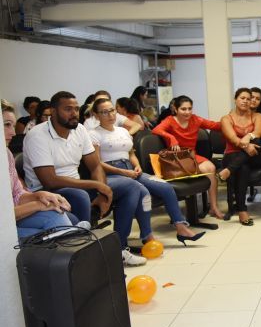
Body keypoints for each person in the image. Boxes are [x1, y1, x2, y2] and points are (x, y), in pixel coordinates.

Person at [22, 91, 146, 266]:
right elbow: (49, 180)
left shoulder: (79, 129)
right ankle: (86, 261)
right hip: (47, 192)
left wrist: (102, 193)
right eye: (68, 109)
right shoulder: (37, 135)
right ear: (53, 112)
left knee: (131, 186)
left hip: (78, 185)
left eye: (76, 109)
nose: (74, 113)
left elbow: (95, 166)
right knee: (80, 195)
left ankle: (118, 248)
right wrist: (98, 186)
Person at [89, 98, 205, 246]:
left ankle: (181, 227)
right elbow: (97, 163)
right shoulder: (94, 134)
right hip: (111, 174)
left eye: (112, 110)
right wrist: (123, 172)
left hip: (131, 170)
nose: (110, 115)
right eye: (104, 112)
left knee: (165, 187)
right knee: (143, 192)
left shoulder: (123, 131)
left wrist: (137, 166)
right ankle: (147, 236)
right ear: (96, 115)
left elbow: (131, 154)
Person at [3, 99, 75, 238]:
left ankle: (74, 237)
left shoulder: (6, 154)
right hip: (5, 224)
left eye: (13, 125)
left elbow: (17, 194)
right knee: (46, 237)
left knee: (55, 217)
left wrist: (39, 195)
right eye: (6, 125)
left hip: (11, 219)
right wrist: (38, 204)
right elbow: (3, 216)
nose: (13, 133)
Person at [152, 95, 225, 219]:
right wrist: (171, 137)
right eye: (183, 109)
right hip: (176, 159)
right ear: (175, 109)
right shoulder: (170, 120)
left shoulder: (195, 119)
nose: (187, 112)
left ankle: (213, 207)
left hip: (191, 156)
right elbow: (156, 130)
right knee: (208, 170)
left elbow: (215, 126)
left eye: (189, 108)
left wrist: (230, 120)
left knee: (211, 168)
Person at [218, 88, 261, 226]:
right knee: (243, 167)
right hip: (232, 154)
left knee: (257, 141)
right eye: (242, 98)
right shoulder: (226, 119)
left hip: (255, 156)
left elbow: (258, 132)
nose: (245, 101)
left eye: (248, 99)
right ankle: (242, 210)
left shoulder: (257, 116)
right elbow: (233, 139)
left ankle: (228, 170)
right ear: (235, 99)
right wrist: (246, 146)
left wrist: (248, 136)